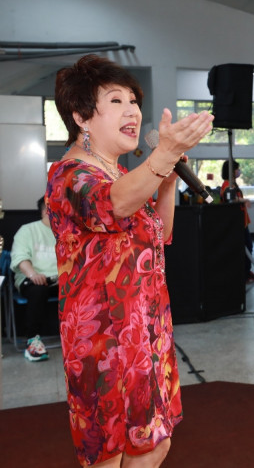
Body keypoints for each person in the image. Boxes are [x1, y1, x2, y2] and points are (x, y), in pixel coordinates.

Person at [46, 54, 213, 467]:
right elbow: (114, 206)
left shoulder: (121, 174)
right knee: (110, 456)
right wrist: (161, 158)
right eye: (116, 101)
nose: (133, 111)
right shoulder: (69, 176)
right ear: (81, 117)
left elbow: (161, 233)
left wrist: (168, 177)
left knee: (155, 445)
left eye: (134, 101)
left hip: (144, 334)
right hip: (104, 343)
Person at [10, 196, 58, 362]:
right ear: (46, 211)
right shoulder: (27, 230)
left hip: (58, 279)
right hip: (32, 278)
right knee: (38, 290)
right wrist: (33, 274)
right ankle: (32, 341)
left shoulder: (66, 233)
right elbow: (20, 258)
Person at [221, 160, 254, 283]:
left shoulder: (233, 184)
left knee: (248, 247)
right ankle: (244, 274)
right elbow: (229, 198)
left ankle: (247, 271)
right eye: (237, 169)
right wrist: (244, 200)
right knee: (245, 247)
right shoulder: (227, 185)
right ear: (231, 171)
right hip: (235, 223)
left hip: (242, 221)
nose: (239, 171)